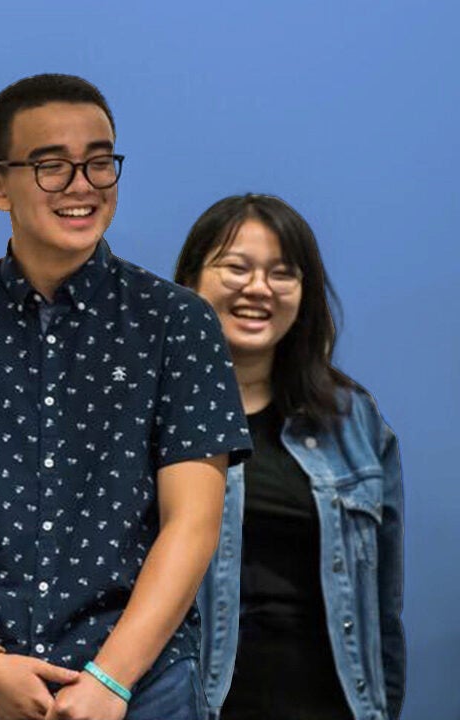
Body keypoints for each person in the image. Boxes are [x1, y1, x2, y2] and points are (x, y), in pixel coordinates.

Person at [0, 74, 253, 720]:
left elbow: (193, 523)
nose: (82, 185)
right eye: (51, 166)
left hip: (140, 689)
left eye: (100, 162)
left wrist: (111, 678)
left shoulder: (176, 322)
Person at [177, 194, 405, 720]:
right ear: (189, 282)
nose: (258, 288)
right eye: (235, 268)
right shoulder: (151, 418)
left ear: (304, 294)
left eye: (283, 274)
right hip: (193, 706)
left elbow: (383, 614)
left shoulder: (355, 421)